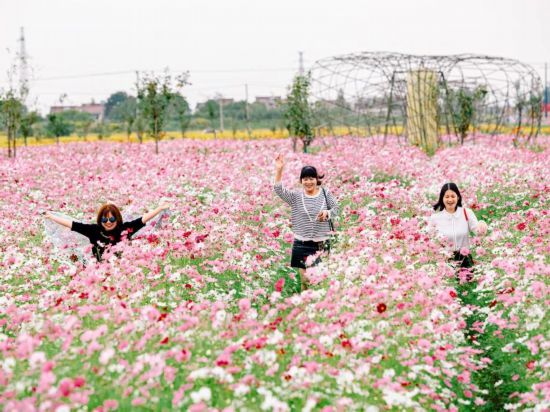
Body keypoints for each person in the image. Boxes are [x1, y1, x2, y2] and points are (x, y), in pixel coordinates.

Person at [274, 154, 339, 291]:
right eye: (305, 179)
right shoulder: (296, 197)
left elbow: (336, 208)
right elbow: (279, 190)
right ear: (301, 181)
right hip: (301, 243)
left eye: (311, 179)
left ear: (317, 180)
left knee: (320, 281)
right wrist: (279, 170)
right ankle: (305, 307)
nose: (308, 182)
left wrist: (327, 213)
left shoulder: (325, 194)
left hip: (322, 243)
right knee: (305, 281)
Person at [43, 203, 169, 261]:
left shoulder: (125, 229)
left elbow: (143, 219)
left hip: (123, 268)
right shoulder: (93, 230)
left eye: (112, 218)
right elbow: (72, 224)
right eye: (104, 218)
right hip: (99, 271)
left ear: (117, 219)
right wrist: (52, 217)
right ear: (100, 219)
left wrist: (159, 208)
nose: (108, 221)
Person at [430, 183, 487, 278]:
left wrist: (482, 226)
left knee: (467, 288)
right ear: (442, 198)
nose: (450, 200)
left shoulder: (466, 212)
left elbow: (477, 231)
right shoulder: (435, 218)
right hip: (446, 260)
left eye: (453, 196)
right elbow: (429, 239)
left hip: (465, 259)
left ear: (458, 197)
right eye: (447, 196)